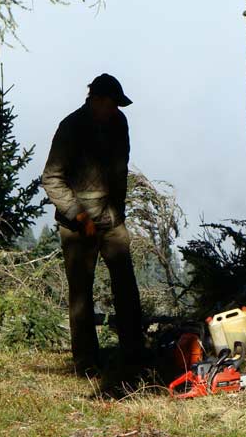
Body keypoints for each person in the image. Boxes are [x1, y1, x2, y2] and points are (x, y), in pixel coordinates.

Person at [42, 73, 144, 375]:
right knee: (81, 294)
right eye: (113, 104)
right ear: (96, 99)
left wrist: (118, 213)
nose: (116, 110)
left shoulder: (119, 124)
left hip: (112, 219)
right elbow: (52, 178)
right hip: (77, 226)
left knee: (126, 287)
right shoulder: (70, 128)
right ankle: (86, 362)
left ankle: (134, 353)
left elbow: (120, 171)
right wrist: (79, 215)